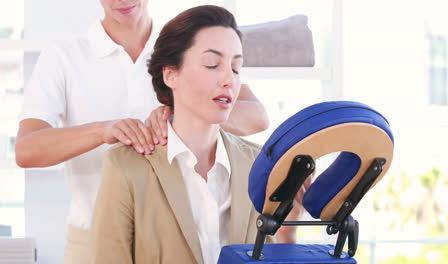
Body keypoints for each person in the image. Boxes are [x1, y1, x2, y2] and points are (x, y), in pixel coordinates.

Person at [15, 0, 269, 263]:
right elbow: (27, 149)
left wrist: (180, 110)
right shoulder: (65, 56)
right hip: (92, 236)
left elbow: (256, 116)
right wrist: (103, 130)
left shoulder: (182, 44)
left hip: (175, 234)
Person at [89, 5, 306, 264]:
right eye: (212, 64)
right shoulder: (127, 165)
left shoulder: (256, 164)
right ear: (171, 74)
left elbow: (265, 255)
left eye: (236, 68)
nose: (229, 79)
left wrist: (288, 233)